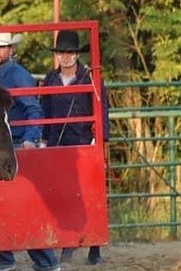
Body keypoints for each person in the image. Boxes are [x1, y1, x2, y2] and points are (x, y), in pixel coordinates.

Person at [0, 32, 60, 271]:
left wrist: (29, 139)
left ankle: (43, 261)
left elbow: (34, 110)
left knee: (21, 207)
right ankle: (3, 259)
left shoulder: (18, 76)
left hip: (15, 145)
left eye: (1, 47)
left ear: (10, 49)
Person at [40, 30, 110, 266]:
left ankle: (94, 246)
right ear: (57, 55)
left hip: (84, 143)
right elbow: (45, 112)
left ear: (77, 54)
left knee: (91, 194)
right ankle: (69, 241)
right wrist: (44, 140)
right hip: (59, 145)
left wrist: (100, 141)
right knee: (63, 194)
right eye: (62, 52)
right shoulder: (49, 80)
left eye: (70, 52)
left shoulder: (91, 78)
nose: (66, 57)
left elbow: (102, 112)